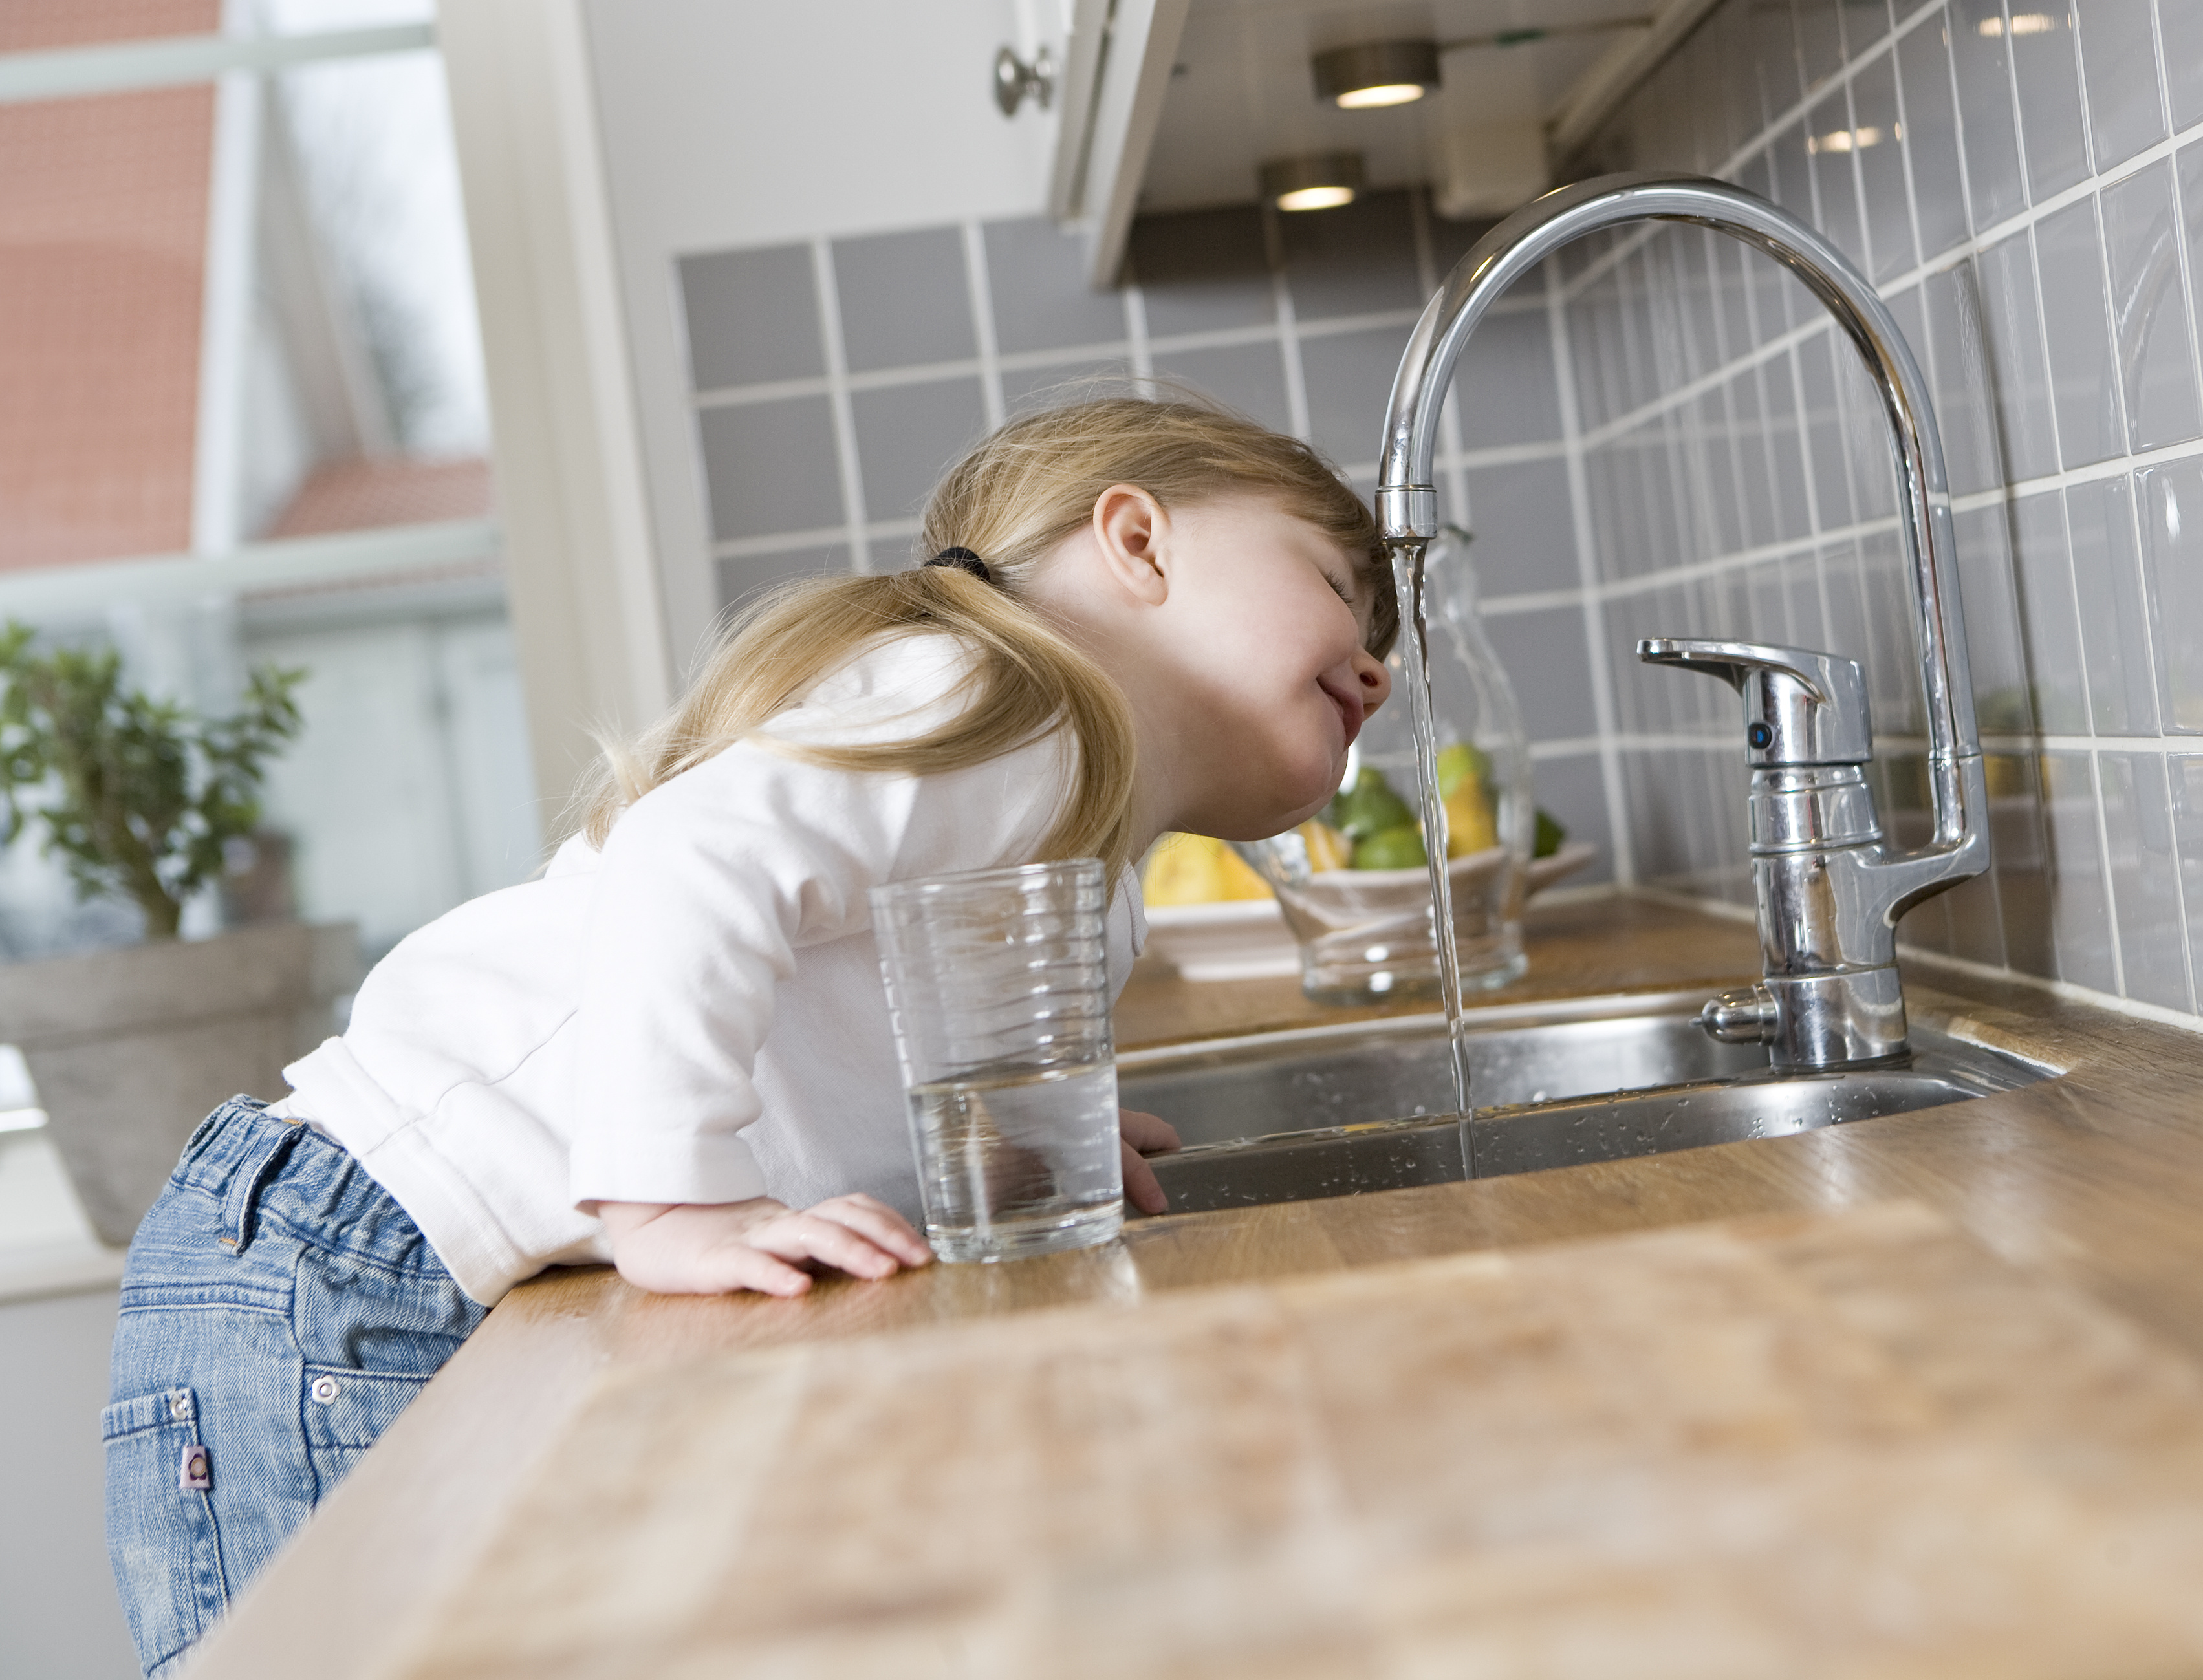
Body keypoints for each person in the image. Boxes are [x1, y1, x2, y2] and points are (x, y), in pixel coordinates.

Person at [101, 393, 1398, 1675]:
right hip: (349, 1246)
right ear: (1138, 541)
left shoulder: (1081, 860)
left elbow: (828, 1022)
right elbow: (694, 859)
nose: (1379, 662)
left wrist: (1013, 1137)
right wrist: (672, 1202)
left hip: (384, 1253)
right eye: (1340, 584)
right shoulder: (1012, 704)